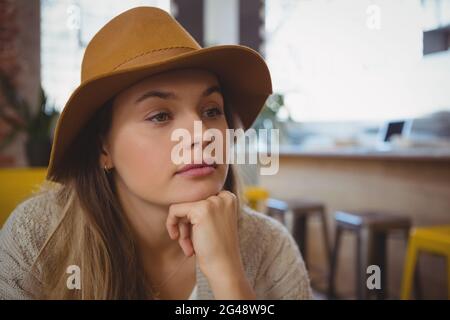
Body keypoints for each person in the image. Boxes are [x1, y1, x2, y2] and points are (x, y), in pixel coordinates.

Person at [0, 6, 312, 300]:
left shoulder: (271, 249)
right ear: (103, 148)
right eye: (160, 116)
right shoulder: (37, 242)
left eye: (212, 110)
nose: (202, 135)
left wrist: (229, 277)